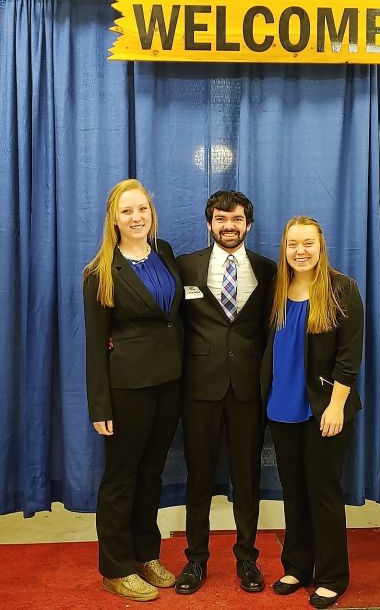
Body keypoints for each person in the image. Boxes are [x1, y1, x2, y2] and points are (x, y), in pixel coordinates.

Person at [83, 179, 184, 602]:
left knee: (151, 474)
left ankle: (146, 553)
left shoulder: (164, 253)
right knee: (121, 479)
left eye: (141, 209)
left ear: (151, 212)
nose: (136, 217)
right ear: (114, 218)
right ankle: (116, 567)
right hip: (126, 389)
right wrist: (99, 405)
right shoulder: (100, 273)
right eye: (127, 211)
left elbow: (172, 318)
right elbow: (94, 346)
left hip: (169, 384)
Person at [175, 190, 276, 595]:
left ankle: (247, 559)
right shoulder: (184, 267)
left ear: (248, 225)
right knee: (198, 478)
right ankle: (195, 561)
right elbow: (166, 319)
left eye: (236, 219)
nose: (228, 226)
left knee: (246, 478)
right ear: (209, 223)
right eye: (220, 218)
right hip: (199, 389)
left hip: (249, 390)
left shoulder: (270, 270)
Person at [261, 216, 364, 609]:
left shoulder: (342, 289)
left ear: (321, 246)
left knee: (323, 493)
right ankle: (297, 565)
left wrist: (336, 406)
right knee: (294, 492)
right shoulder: (278, 288)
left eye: (307, 243)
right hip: (282, 409)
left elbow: (349, 356)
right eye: (292, 244)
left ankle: (333, 575)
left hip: (325, 411)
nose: (300, 251)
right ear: (284, 249)